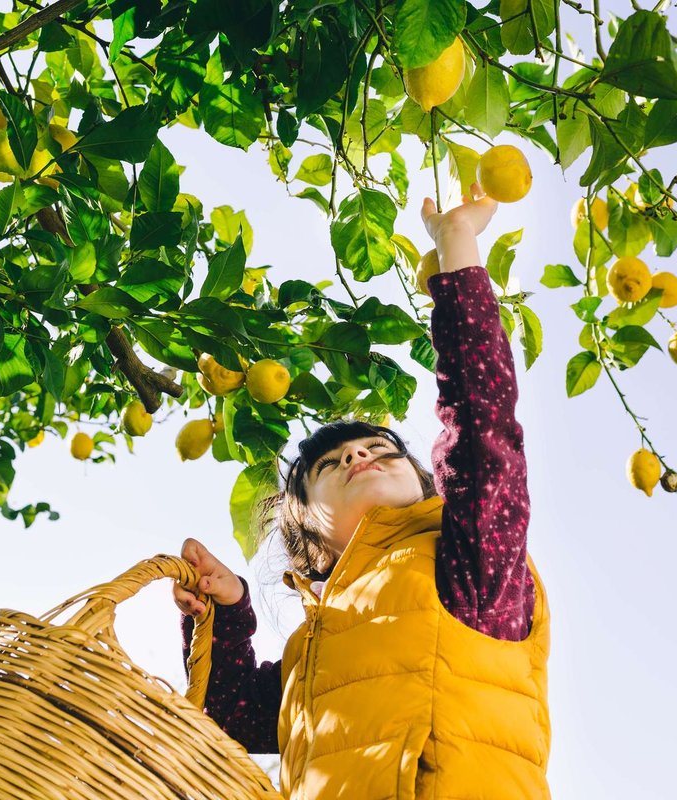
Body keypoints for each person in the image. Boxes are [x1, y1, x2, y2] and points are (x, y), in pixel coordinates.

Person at [173, 182, 550, 799]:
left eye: (381, 450)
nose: (358, 453)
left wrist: (458, 247)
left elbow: (484, 429)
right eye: (331, 465)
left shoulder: (466, 566)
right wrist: (230, 612)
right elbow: (229, 721)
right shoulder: (310, 650)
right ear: (307, 545)